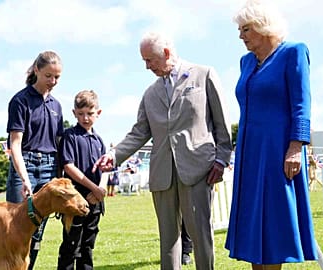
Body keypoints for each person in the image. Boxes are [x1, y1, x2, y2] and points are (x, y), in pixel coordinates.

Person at [93, 31, 232, 269]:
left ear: (166, 53)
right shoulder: (150, 93)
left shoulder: (204, 75)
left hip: (198, 170)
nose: (147, 67)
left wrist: (221, 160)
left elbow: (222, 123)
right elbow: (139, 132)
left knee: (201, 235)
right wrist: (114, 155)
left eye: (150, 60)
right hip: (162, 175)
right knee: (168, 239)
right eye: (144, 61)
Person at [224, 1, 318, 269]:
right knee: (254, 230)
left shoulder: (294, 52)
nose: (241, 36)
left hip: (278, 152)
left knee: (274, 226)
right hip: (249, 154)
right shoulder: (245, 62)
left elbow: (302, 105)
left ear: (263, 26)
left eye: (246, 29)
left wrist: (295, 148)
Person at [5, 51, 64, 270]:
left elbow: (59, 145)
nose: (53, 81)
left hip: (49, 169)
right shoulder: (20, 101)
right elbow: (15, 144)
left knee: (37, 230)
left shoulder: (56, 106)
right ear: (36, 70)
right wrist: (24, 178)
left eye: (57, 77)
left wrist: (60, 178)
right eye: (48, 76)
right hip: (25, 165)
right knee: (15, 228)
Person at [57, 90, 106, 270]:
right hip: (74, 202)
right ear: (74, 113)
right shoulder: (70, 136)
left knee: (88, 245)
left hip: (95, 202)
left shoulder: (99, 140)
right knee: (71, 245)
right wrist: (93, 188)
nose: (85, 118)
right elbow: (69, 166)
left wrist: (99, 191)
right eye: (80, 114)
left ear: (98, 113)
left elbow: (105, 168)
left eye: (90, 114)